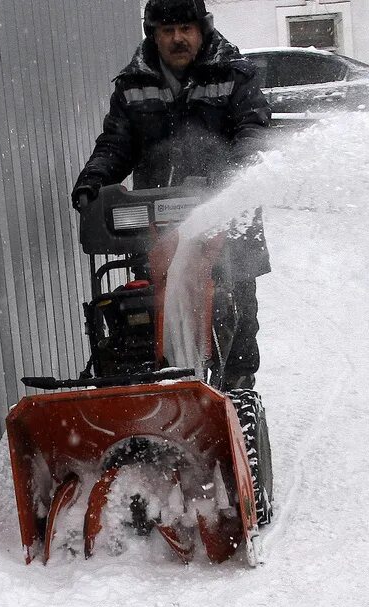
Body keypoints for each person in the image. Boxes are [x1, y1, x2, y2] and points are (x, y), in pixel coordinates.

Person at [71, 0, 271, 391]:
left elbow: (253, 131)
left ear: (203, 29)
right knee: (146, 317)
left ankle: (236, 398)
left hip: (226, 221)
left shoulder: (235, 75)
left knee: (234, 318)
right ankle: (152, 394)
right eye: (167, 30)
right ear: (153, 34)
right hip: (157, 226)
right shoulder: (133, 87)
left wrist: (235, 179)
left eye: (185, 28)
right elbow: (115, 145)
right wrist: (92, 181)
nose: (177, 38)